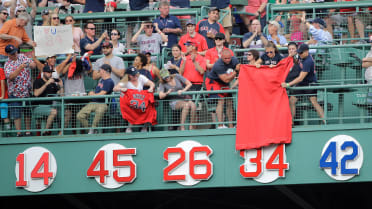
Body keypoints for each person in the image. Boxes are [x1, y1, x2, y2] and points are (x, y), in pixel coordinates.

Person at [281, 44, 325, 124]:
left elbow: (300, 78)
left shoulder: (308, 61)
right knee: (292, 100)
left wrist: (288, 85)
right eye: (299, 53)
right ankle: (291, 122)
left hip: (310, 83)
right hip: (302, 83)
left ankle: (325, 121)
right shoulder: (301, 57)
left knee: (313, 101)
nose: (300, 54)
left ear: (307, 51)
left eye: (301, 53)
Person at [4, 44, 36, 137]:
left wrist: (31, 64)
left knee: (27, 113)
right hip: (15, 93)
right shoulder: (7, 64)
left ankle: (28, 132)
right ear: (8, 54)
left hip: (26, 91)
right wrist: (20, 68)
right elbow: (10, 77)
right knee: (16, 114)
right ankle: (19, 133)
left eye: (15, 52)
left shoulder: (22, 56)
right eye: (12, 53)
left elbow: (33, 65)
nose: (15, 54)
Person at [113, 66, 155, 133]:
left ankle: (145, 127)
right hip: (130, 102)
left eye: (135, 74)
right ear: (129, 75)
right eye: (133, 75)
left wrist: (151, 88)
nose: (135, 76)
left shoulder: (140, 77)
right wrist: (121, 89)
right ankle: (130, 127)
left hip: (141, 100)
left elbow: (152, 84)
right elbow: (115, 88)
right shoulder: (125, 80)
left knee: (148, 107)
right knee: (131, 108)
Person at [205, 49, 239, 129]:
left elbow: (240, 69)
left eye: (229, 58)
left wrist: (234, 84)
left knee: (229, 101)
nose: (227, 60)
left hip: (223, 83)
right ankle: (220, 125)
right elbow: (226, 79)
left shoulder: (235, 60)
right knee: (220, 100)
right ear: (221, 57)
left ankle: (231, 125)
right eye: (225, 58)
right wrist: (235, 71)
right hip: (213, 81)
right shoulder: (218, 65)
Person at [77, 64, 115, 134]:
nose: (99, 72)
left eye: (100, 70)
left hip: (103, 104)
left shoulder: (109, 81)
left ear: (104, 71)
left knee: (99, 112)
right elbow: (97, 91)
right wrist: (92, 93)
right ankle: (91, 130)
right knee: (80, 115)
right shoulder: (101, 80)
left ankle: (93, 128)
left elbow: (103, 93)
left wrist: (93, 95)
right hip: (94, 102)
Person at [33, 65, 63, 136]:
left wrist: (61, 86)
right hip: (38, 107)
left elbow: (61, 95)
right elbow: (36, 93)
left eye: (51, 72)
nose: (50, 74)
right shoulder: (38, 81)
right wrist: (47, 83)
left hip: (50, 106)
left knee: (62, 112)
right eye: (48, 72)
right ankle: (45, 132)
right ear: (43, 73)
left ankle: (60, 133)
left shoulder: (52, 83)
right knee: (53, 111)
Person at [0, 66, 10, 135]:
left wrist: (2, 96)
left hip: (3, 98)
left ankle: (8, 133)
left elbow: (2, 83)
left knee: (4, 116)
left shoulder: (0, 70)